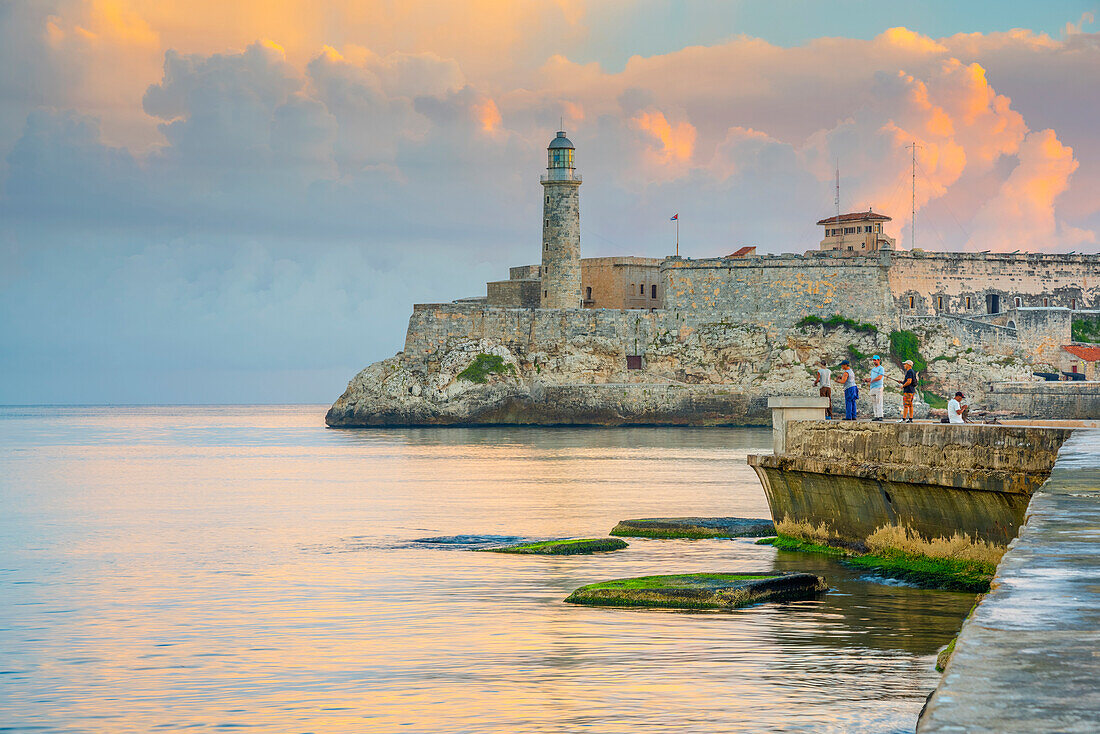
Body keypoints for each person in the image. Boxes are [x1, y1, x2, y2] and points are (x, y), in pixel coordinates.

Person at [864, 355, 885, 421]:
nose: (874, 361)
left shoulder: (881, 368)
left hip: (878, 387)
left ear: (879, 360)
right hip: (872, 387)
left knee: (879, 401)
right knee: (874, 402)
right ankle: (876, 416)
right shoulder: (873, 369)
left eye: (875, 360)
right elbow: (872, 378)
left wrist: (871, 381)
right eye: (873, 360)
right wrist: (867, 379)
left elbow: (879, 377)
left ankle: (880, 416)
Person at [896, 359, 917, 423]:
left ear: (909, 365)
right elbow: (909, 381)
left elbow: (909, 381)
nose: (904, 365)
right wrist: (902, 382)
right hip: (912, 391)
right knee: (910, 405)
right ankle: (910, 419)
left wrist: (903, 386)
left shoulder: (909, 371)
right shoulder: (912, 371)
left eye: (905, 364)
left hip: (908, 391)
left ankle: (903, 419)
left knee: (905, 405)